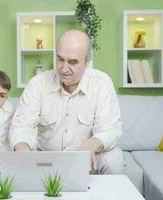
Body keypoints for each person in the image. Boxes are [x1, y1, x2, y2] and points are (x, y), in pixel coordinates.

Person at [9, 30, 124, 174]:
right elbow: (22, 127)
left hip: (86, 161)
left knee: (114, 159)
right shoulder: (37, 84)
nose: (64, 69)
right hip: (44, 160)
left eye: (73, 62)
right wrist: (24, 155)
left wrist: (92, 144)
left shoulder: (102, 83)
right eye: (60, 59)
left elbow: (109, 129)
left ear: (87, 61)